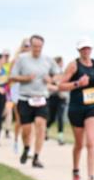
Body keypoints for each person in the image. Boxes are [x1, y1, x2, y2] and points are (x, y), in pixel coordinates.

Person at [58, 38, 94, 180]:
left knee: (91, 142)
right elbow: (60, 86)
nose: (86, 51)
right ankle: (76, 172)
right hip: (77, 107)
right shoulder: (73, 65)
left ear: (91, 49)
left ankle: (91, 178)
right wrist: (77, 84)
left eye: (88, 48)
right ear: (78, 50)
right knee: (79, 144)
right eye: (83, 49)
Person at [10, 35, 58, 168]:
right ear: (30, 46)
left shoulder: (48, 60)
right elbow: (12, 77)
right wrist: (25, 78)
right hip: (25, 98)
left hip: (42, 97)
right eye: (35, 46)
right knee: (26, 130)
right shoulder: (22, 59)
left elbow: (58, 74)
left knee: (40, 125)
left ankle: (36, 157)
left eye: (40, 47)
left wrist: (51, 79)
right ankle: (26, 148)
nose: (37, 49)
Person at [47, 55, 69, 145]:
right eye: (60, 63)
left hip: (62, 98)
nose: (61, 64)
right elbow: (49, 85)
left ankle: (60, 137)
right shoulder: (51, 74)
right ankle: (45, 129)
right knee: (51, 118)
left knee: (60, 117)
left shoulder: (64, 74)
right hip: (52, 97)